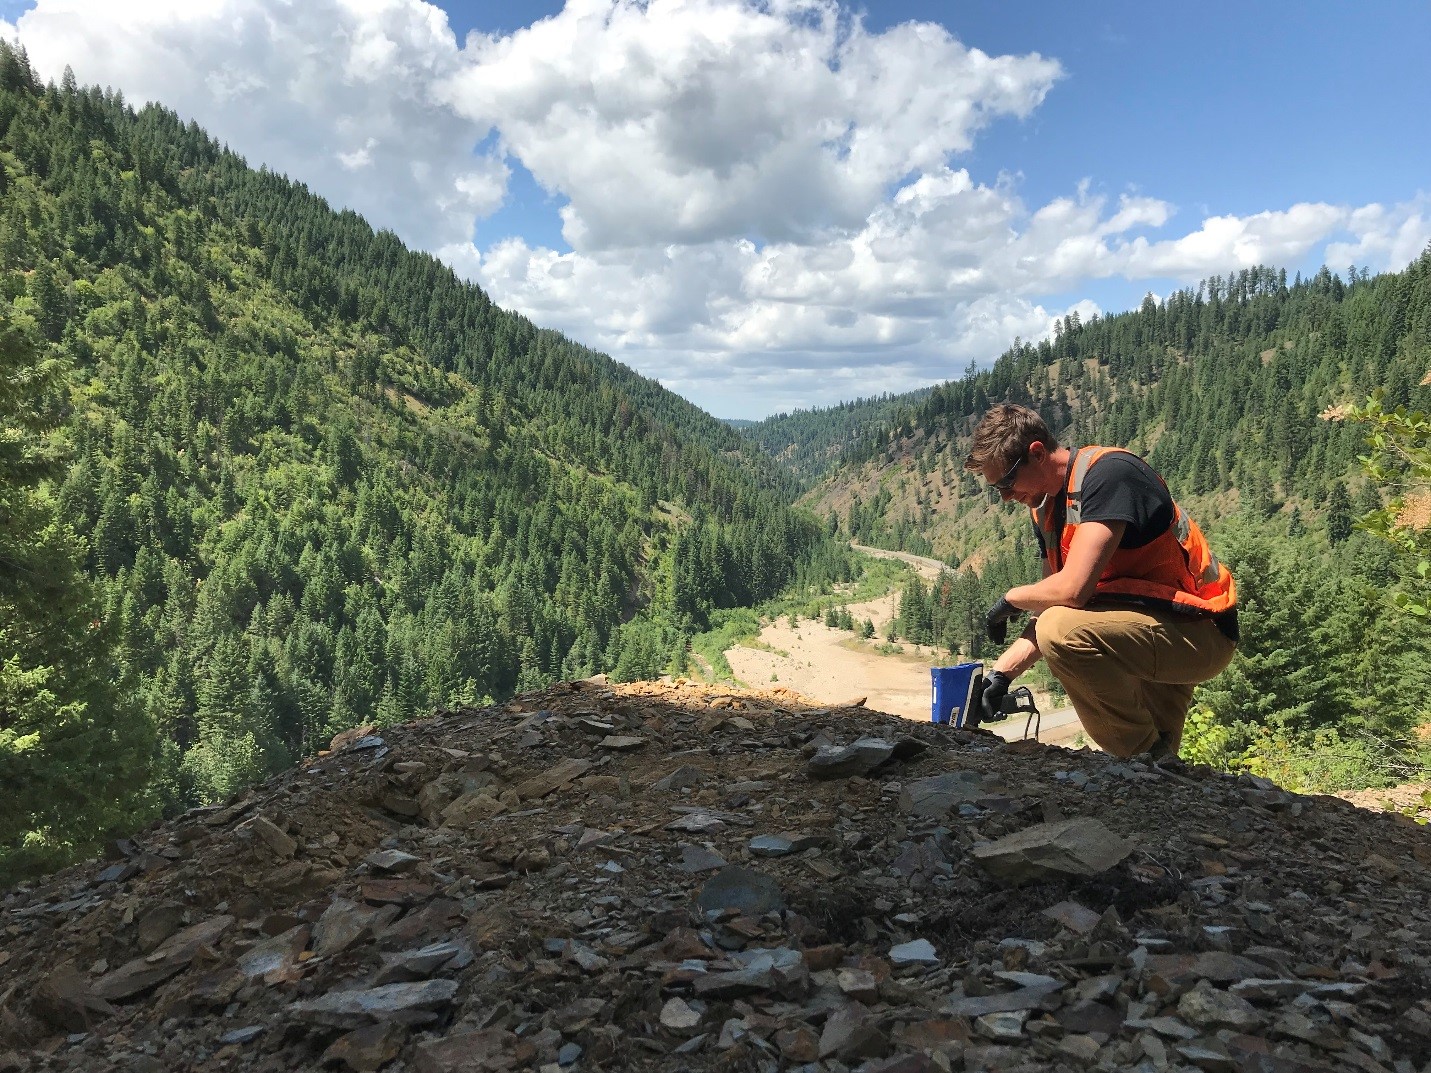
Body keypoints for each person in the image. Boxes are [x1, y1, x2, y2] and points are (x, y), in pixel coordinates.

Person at [964, 403, 1237, 761]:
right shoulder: (1045, 508)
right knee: (1160, 781)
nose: (1004, 496)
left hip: (1199, 630)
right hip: (1144, 626)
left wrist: (1011, 598)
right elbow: (1054, 601)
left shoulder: (1108, 476)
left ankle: (1145, 759)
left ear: (1037, 452)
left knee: (1140, 756)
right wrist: (1002, 675)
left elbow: (1072, 593)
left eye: (1007, 481)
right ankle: (1157, 776)